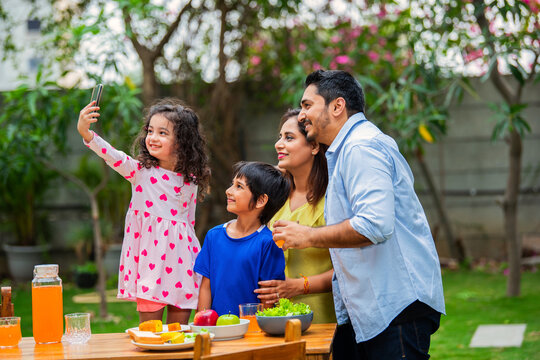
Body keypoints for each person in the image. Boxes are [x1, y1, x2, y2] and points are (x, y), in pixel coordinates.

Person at [272, 70, 445, 360]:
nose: (302, 115)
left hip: (396, 306)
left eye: (307, 105)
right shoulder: (346, 150)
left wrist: (308, 236)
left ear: (337, 106)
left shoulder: (361, 147)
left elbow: (374, 225)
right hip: (381, 310)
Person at [77, 98, 211, 324]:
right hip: (150, 265)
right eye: (150, 131)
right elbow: (112, 155)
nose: (152, 137)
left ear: (182, 141)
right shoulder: (140, 172)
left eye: (162, 133)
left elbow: (188, 224)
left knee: (178, 335)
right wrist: (86, 132)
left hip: (181, 265)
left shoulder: (191, 180)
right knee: (150, 335)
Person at [254, 109, 336, 324]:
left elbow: (351, 266)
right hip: (279, 320)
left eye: (289, 138)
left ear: (314, 146)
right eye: (280, 137)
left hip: (327, 321)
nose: (278, 144)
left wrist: (300, 286)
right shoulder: (273, 198)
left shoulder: (333, 199)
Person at [194, 161, 290, 316]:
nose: (228, 191)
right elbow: (205, 286)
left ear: (260, 200)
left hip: (252, 334)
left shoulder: (269, 244)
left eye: (239, 186)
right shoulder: (214, 236)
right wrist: (205, 325)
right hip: (216, 331)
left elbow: (268, 299)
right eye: (232, 184)